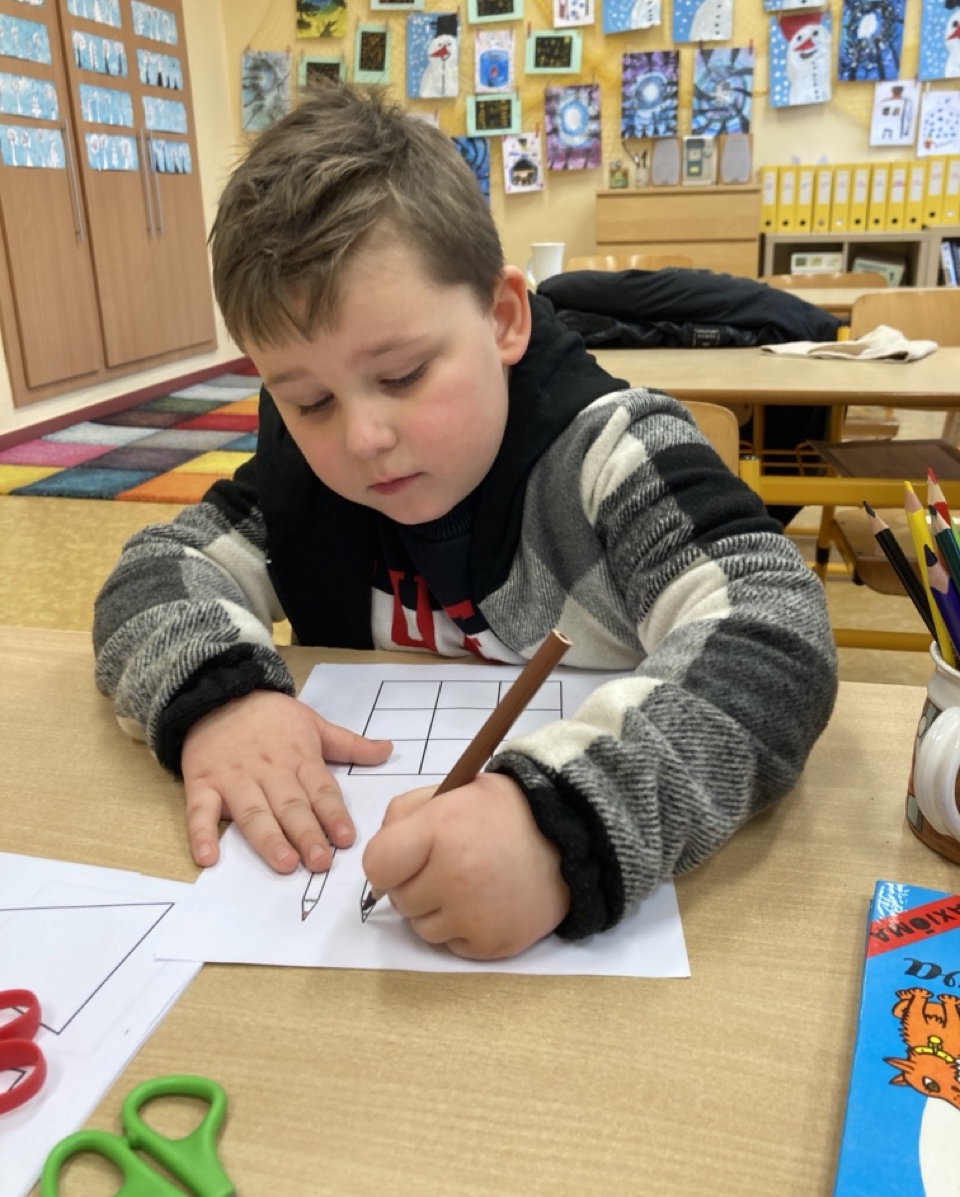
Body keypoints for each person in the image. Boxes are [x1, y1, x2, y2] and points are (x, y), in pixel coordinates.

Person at [93, 84, 838, 961]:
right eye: (308, 400)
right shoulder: (306, 487)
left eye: (403, 375)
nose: (363, 438)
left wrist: (567, 827)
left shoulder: (612, 457)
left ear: (503, 318)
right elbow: (157, 570)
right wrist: (223, 700)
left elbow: (773, 627)